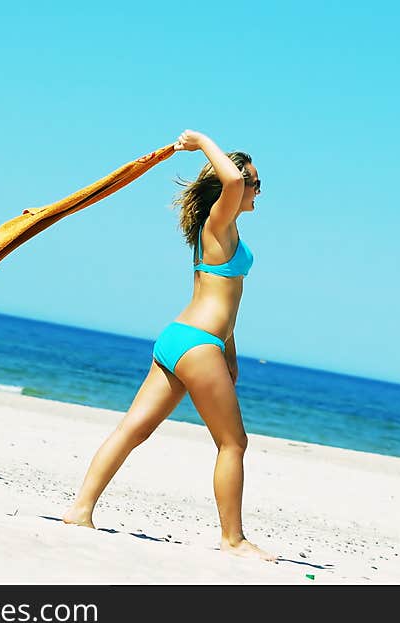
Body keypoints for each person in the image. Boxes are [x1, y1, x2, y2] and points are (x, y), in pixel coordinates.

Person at [62, 129, 275, 561]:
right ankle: (233, 540)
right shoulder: (217, 224)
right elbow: (231, 182)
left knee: (132, 429)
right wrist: (201, 141)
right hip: (197, 344)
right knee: (233, 444)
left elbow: (225, 305)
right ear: (232, 184)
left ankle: (80, 511)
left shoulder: (222, 231)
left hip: (184, 339)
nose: (257, 188)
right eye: (254, 181)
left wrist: (230, 354)